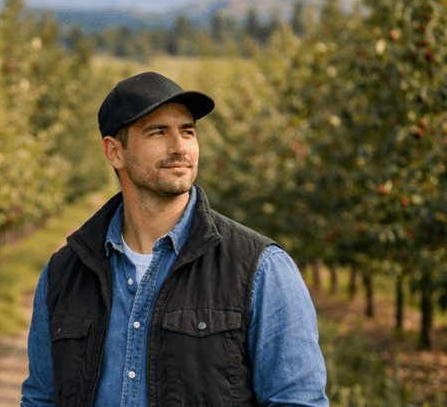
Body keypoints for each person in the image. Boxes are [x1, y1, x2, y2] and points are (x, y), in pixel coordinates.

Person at [21, 71, 329, 407]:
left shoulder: (260, 269)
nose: (179, 146)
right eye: (158, 132)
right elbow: (41, 399)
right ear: (114, 152)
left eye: (188, 131)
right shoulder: (63, 273)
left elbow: (297, 401)